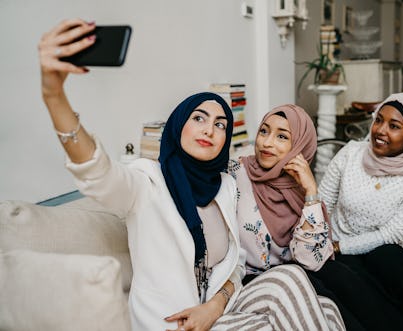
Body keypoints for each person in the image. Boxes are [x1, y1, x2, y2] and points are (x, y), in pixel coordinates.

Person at [39, 19, 343, 331]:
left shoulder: (224, 186)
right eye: (199, 118)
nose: (210, 129)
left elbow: (235, 265)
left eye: (221, 124)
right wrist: (54, 95)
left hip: (217, 308)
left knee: (314, 297)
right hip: (174, 320)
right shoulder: (147, 182)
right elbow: (96, 171)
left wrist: (215, 305)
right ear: (178, 124)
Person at [310, 92, 403, 331]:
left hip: (385, 251)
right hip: (337, 239)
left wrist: (341, 247)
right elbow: (323, 203)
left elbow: (390, 235)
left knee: (386, 260)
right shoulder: (351, 153)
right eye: (378, 120)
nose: (380, 130)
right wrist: (320, 240)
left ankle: (398, 318)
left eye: (394, 126)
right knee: (331, 275)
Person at [228, 104, 345, 330]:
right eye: (264, 131)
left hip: (292, 280)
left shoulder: (299, 189)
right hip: (244, 281)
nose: (267, 142)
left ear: (300, 145)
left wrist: (311, 192)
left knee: (330, 307)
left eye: (282, 136)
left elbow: (310, 260)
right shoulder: (234, 172)